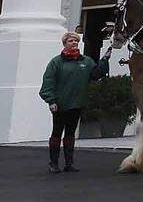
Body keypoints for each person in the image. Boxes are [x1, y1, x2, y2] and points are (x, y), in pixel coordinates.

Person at [39, 31, 111, 173]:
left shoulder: (86, 61)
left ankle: (69, 163)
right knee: (57, 133)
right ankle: (53, 163)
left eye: (76, 41)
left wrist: (105, 61)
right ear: (65, 43)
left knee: (70, 133)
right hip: (59, 104)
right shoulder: (56, 62)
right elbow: (48, 82)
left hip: (76, 104)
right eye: (71, 41)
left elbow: (96, 75)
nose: (74, 43)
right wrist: (51, 100)